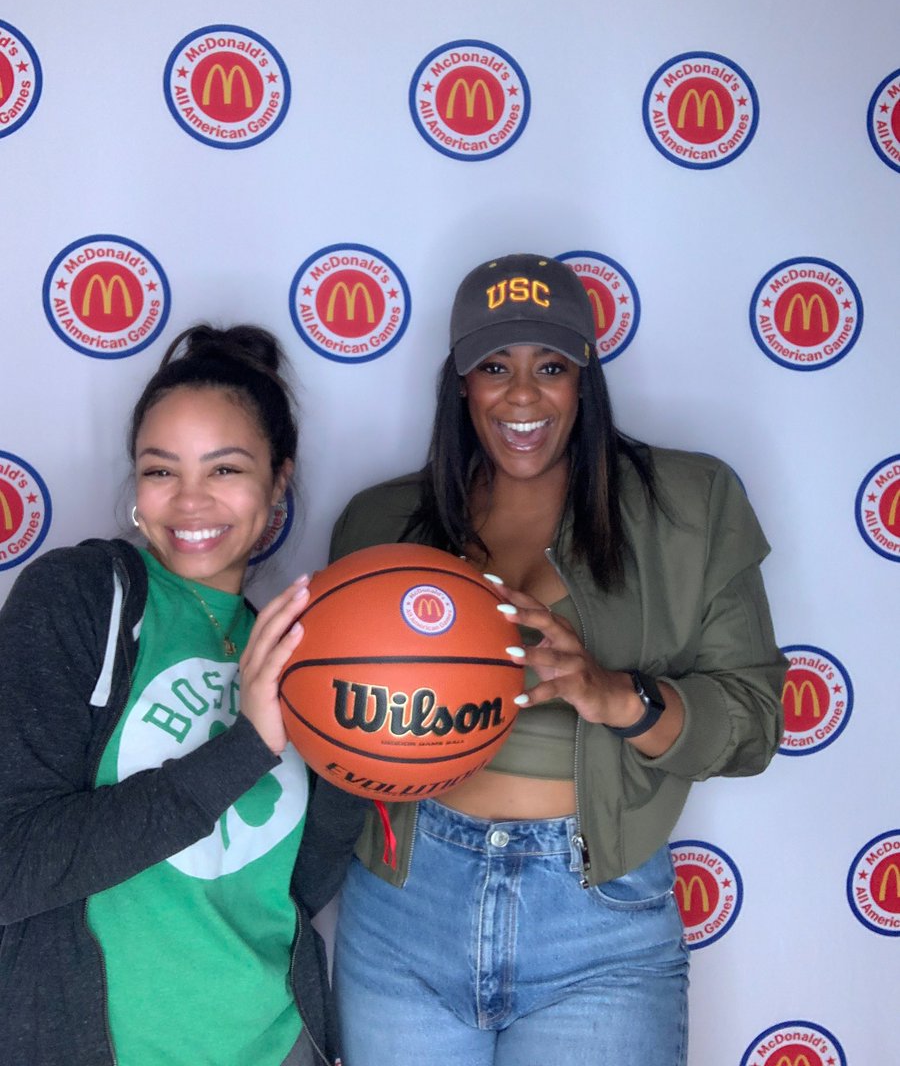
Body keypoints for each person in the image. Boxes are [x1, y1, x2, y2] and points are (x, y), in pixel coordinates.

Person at [328, 254, 787, 1066]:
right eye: (494, 366)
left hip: (595, 921)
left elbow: (752, 724)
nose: (523, 394)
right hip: (405, 908)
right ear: (460, 383)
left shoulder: (690, 503)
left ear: (586, 377)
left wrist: (615, 695)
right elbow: (335, 723)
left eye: (551, 366)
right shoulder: (381, 523)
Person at [0, 324, 364, 1066]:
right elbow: (12, 865)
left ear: (278, 480)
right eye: (161, 471)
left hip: (275, 1042)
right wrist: (247, 747)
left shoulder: (296, 648)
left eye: (225, 469)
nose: (190, 502)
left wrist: (368, 760)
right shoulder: (81, 599)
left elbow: (293, 883)